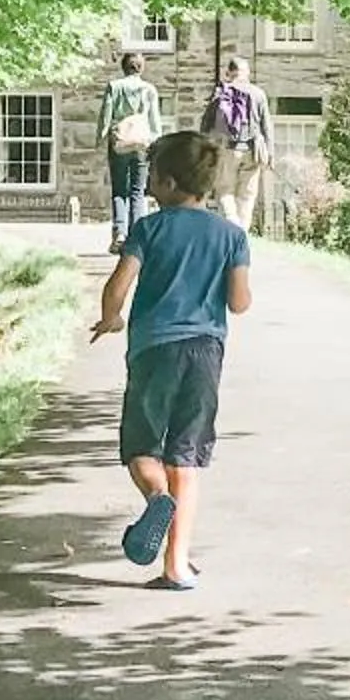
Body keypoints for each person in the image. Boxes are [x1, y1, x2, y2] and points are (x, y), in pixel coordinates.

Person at [92, 131, 252, 592]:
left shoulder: (149, 229)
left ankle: (156, 498)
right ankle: (177, 565)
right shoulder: (230, 235)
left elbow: (118, 285)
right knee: (188, 456)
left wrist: (111, 319)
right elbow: (239, 303)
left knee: (142, 447)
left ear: (165, 181)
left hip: (153, 351)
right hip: (206, 353)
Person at [98, 51, 164, 253]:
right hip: (141, 143)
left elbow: (105, 117)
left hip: (119, 142)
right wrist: (156, 143)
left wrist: (100, 138)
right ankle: (136, 236)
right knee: (138, 190)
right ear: (141, 68)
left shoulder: (114, 87)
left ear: (123, 67)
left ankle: (119, 232)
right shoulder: (149, 90)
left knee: (119, 190)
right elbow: (154, 121)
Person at [200, 53, 275, 230]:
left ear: (229, 72)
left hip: (227, 149)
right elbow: (267, 125)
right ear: (246, 72)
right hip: (252, 149)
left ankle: (232, 223)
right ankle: (242, 233)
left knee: (225, 191)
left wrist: (205, 149)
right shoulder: (258, 94)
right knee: (247, 195)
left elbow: (206, 124)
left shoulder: (221, 94)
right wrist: (271, 153)